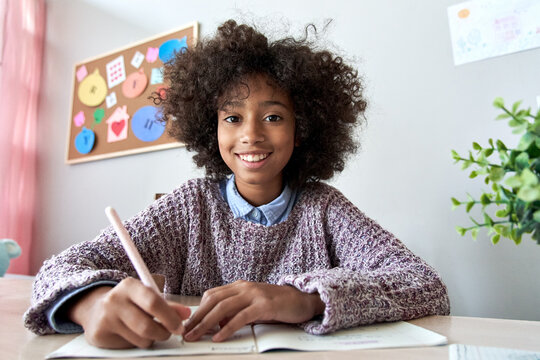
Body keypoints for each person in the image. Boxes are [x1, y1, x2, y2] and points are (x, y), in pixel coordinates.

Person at [23, 19, 450, 349]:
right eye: (232, 118)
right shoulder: (188, 207)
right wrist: (90, 303)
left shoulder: (324, 208)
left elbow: (424, 285)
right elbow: (58, 269)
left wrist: (303, 299)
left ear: (302, 131)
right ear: (212, 131)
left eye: (274, 116)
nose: (251, 134)